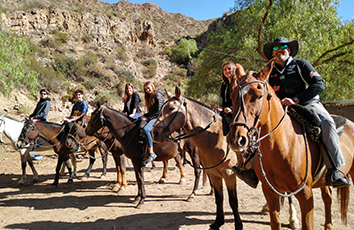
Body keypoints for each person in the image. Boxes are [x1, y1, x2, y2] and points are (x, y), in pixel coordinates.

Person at [234, 37, 350, 188]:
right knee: (260, 129)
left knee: (327, 123)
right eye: (276, 48)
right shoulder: (271, 72)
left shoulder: (301, 65)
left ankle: (335, 170)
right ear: (272, 54)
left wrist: (296, 99)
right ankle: (252, 170)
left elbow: (318, 84)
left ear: (289, 50)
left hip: (308, 104)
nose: (279, 50)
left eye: (283, 47)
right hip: (282, 109)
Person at [139, 82, 164, 165]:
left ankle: (151, 152)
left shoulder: (157, 94)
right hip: (153, 116)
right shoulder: (149, 97)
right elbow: (151, 112)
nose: (147, 90)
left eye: (148, 88)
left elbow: (159, 111)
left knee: (146, 129)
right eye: (146, 89)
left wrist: (148, 118)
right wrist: (144, 116)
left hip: (158, 117)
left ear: (152, 86)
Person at [216, 61, 236, 136]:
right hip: (225, 110)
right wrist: (221, 107)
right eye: (225, 69)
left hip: (235, 112)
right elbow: (224, 101)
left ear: (234, 70)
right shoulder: (224, 85)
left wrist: (231, 109)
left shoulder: (239, 84)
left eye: (229, 68)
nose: (227, 71)